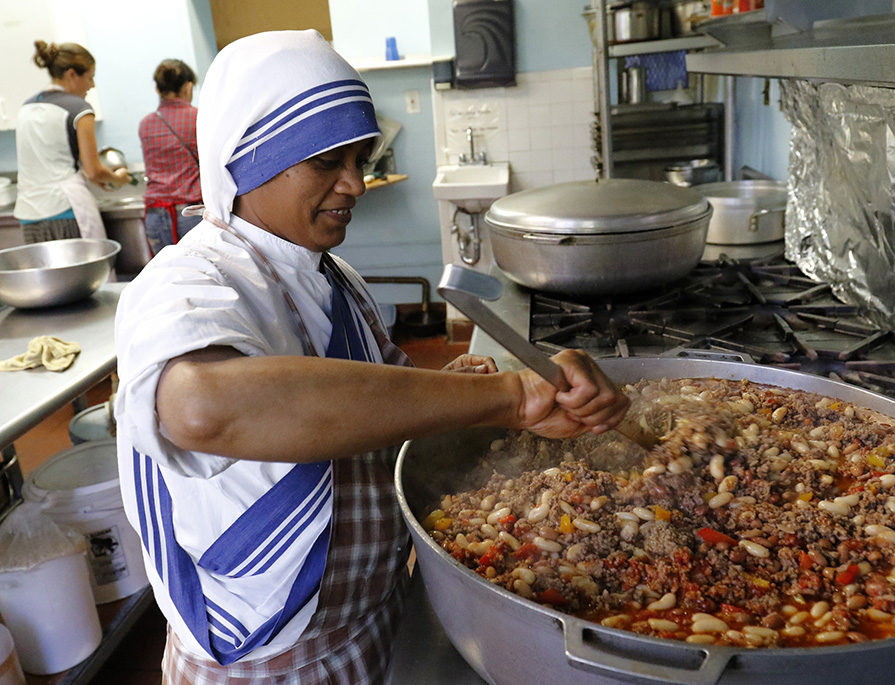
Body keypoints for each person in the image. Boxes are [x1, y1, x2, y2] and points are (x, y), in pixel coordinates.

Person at [113, 30, 629, 684]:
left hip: (378, 621)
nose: (355, 182)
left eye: (360, 156)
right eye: (328, 161)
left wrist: (476, 396)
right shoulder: (187, 282)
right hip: (266, 666)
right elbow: (202, 406)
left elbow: (375, 409)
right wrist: (510, 398)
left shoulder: (338, 278)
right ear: (248, 160)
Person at [13, 41, 132, 243]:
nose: (92, 85)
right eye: (90, 77)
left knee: (45, 275)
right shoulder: (79, 109)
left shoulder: (26, 107)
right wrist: (118, 178)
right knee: (83, 274)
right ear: (72, 74)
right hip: (66, 211)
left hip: (29, 216)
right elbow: (93, 171)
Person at [138, 58, 202, 255]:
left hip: (156, 216)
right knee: (201, 276)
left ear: (157, 89)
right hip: (191, 214)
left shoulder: (146, 123)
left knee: (169, 278)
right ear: (188, 87)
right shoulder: (199, 118)